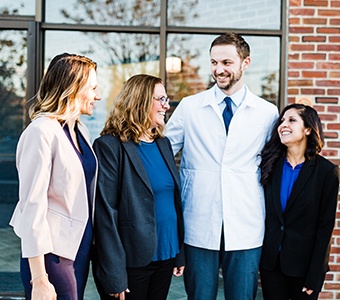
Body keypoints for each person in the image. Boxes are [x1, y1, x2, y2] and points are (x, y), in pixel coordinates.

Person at [165, 32, 279, 299]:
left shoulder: (266, 112)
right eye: (214, 63)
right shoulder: (190, 107)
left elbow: (275, 164)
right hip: (198, 221)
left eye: (227, 62)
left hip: (246, 224)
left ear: (245, 63)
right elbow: (163, 152)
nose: (219, 70)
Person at [9, 53, 102, 300]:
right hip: (51, 256)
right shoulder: (40, 132)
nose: (98, 96)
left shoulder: (79, 130)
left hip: (78, 248)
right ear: (72, 89)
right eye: (93, 88)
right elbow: (32, 207)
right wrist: (39, 279)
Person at [92, 74, 185, 300]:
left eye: (167, 99)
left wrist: (179, 253)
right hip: (132, 261)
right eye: (160, 99)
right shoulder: (110, 146)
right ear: (141, 101)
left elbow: (172, 200)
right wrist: (113, 273)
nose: (166, 105)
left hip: (166, 254)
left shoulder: (163, 143)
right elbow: (105, 214)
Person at [259, 103, 339, 300]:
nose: (283, 125)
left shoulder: (327, 172)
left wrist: (315, 276)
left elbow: (325, 228)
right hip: (271, 266)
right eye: (282, 120)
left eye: (292, 120)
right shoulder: (269, 165)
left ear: (308, 129)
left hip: (304, 269)